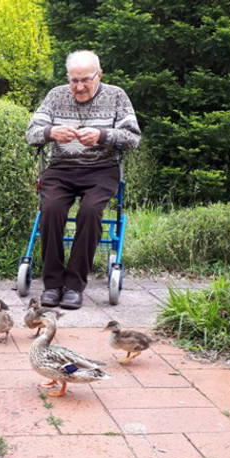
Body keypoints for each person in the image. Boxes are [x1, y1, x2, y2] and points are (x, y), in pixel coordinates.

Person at [26, 50, 141, 309]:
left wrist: (102, 136)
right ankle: (53, 284)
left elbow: (133, 138)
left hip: (101, 170)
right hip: (61, 169)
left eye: (85, 80)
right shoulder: (56, 96)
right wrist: (51, 132)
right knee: (51, 209)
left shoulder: (116, 96)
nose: (78, 87)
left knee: (90, 211)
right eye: (73, 80)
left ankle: (75, 285)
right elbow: (31, 133)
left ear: (98, 76)